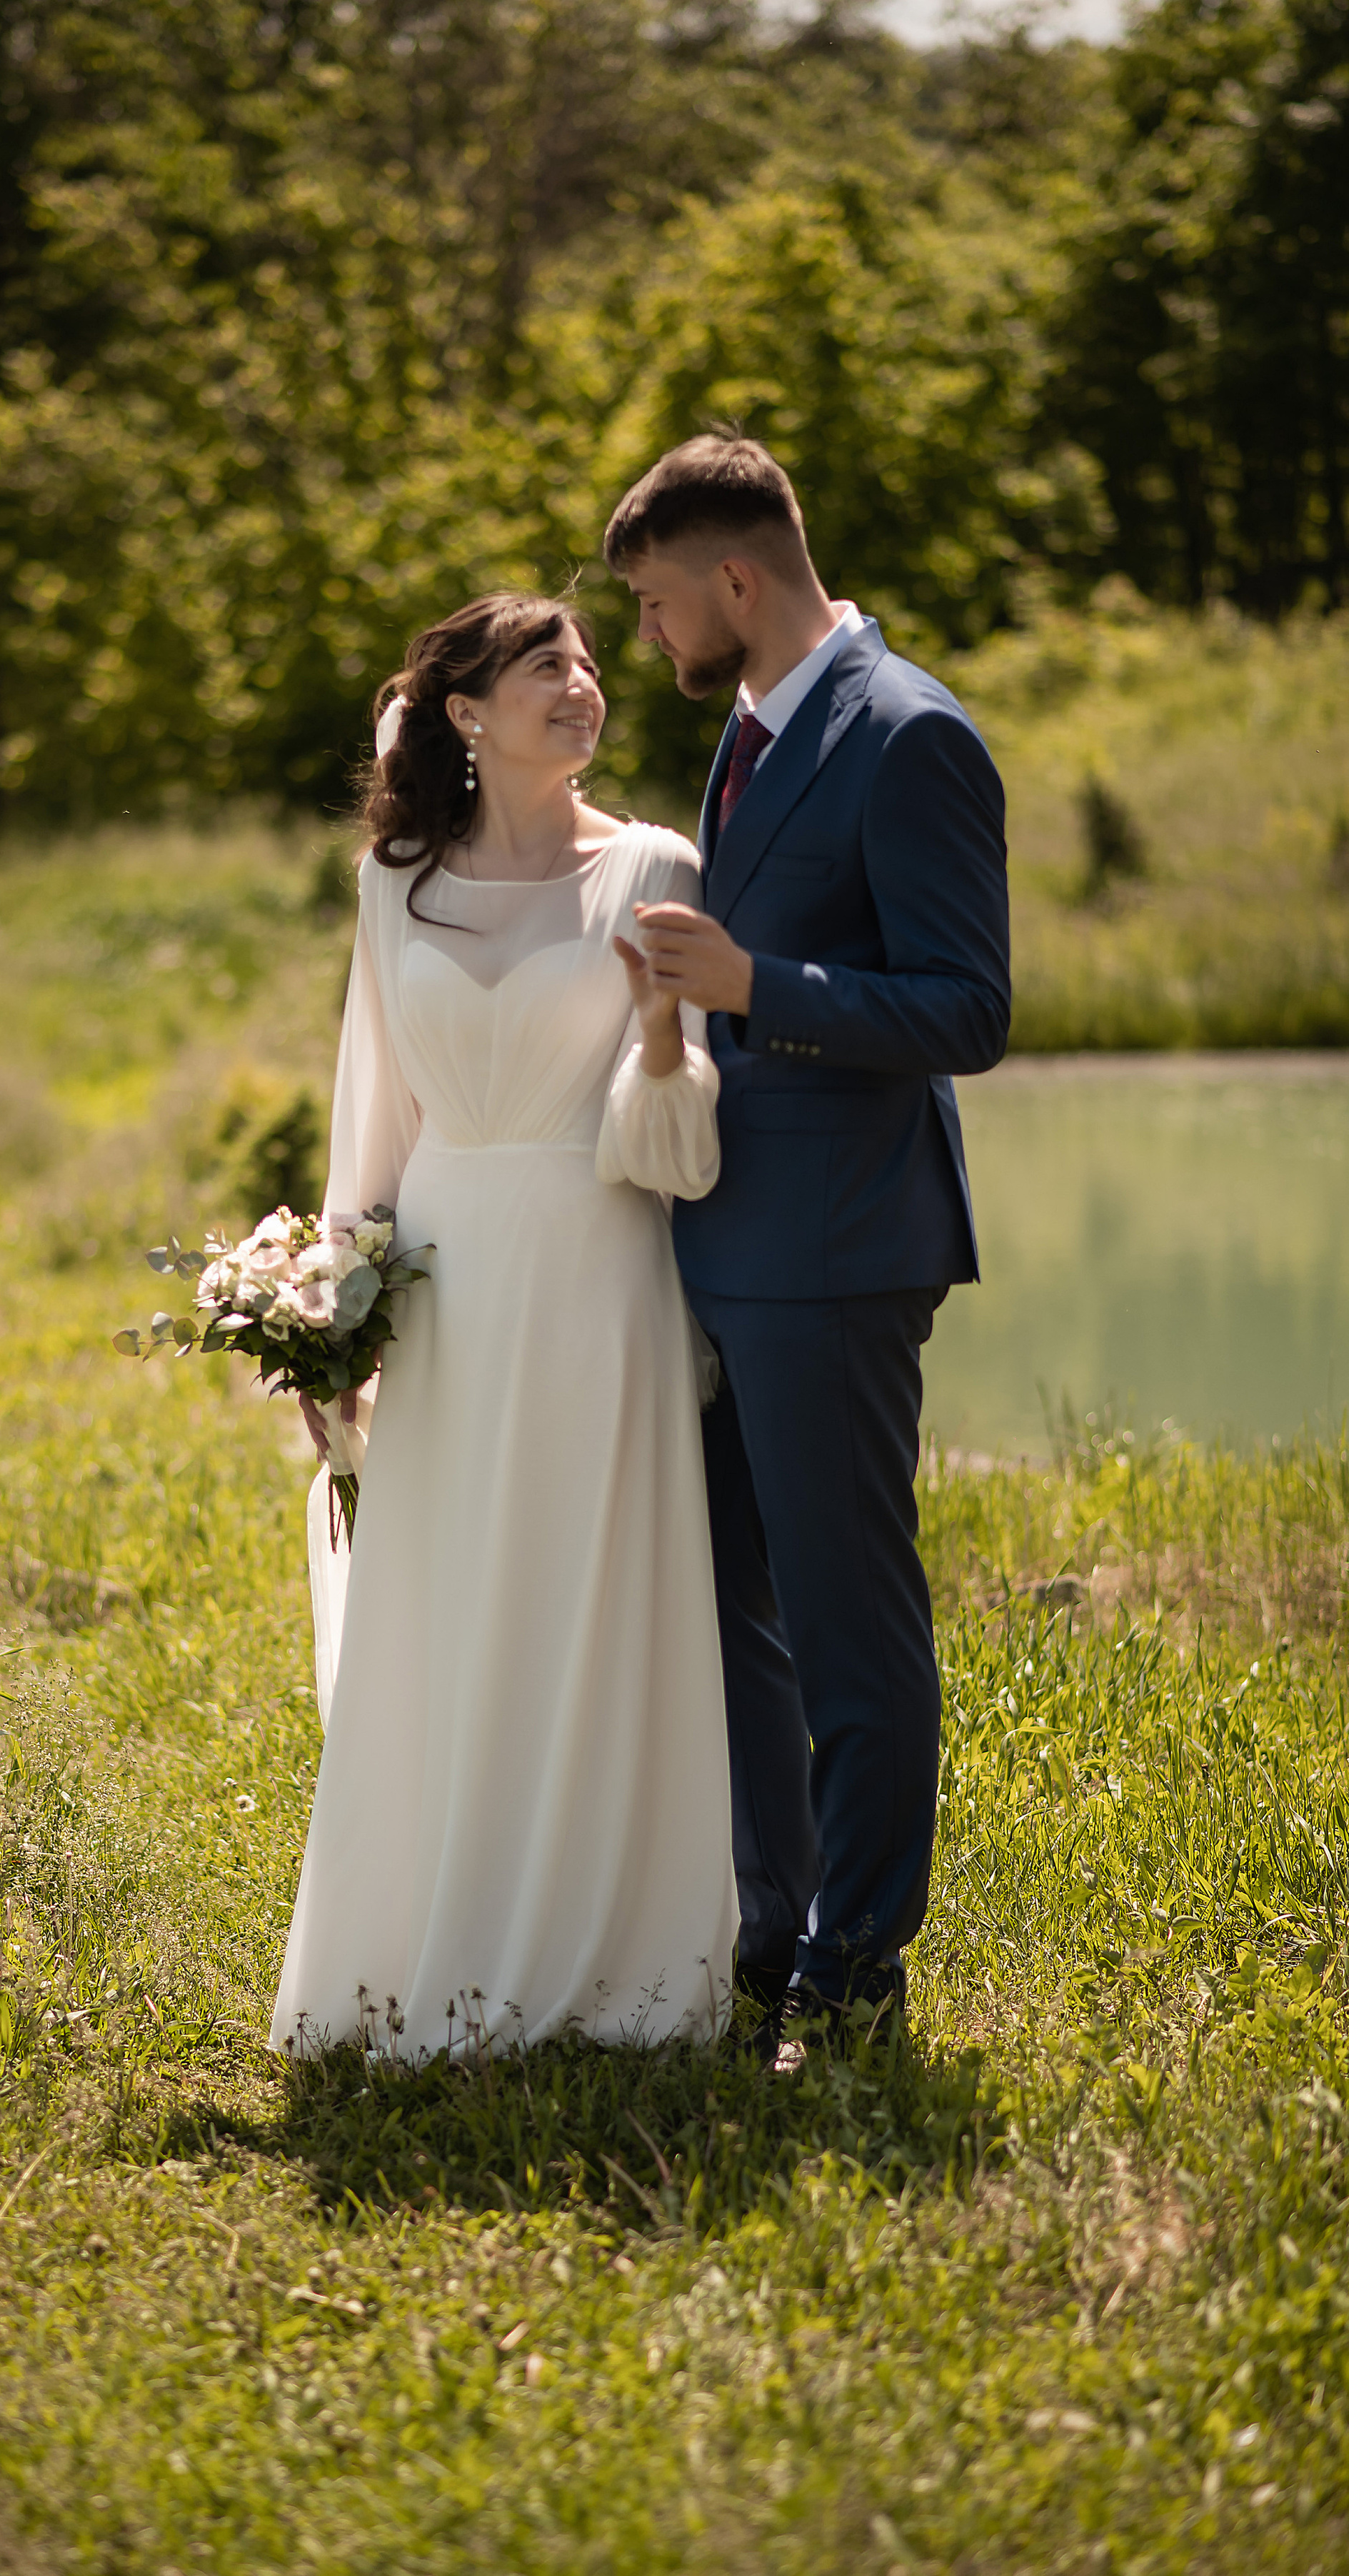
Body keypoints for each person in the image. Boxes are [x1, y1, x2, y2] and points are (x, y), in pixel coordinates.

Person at [271, 593, 739, 2061]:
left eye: (591, 663)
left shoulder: (655, 864)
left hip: (603, 1275)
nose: (583, 686)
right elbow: (371, 1120)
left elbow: (676, 1146)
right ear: (464, 713)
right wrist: (327, 1320)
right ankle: (429, 1940)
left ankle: (614, 1962)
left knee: (595, 1594)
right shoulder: (390, 883)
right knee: (452, 1592)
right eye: (547, 666)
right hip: (444, 1285)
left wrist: (662, 1034)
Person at [602, 432, 1011, 2042]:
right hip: (725, 1238)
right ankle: (770, 1930)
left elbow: (967, 1011)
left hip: (841, 1248)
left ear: (735, 579)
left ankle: (858, 1969)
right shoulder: (756, 729)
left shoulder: (907, 737)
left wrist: (754, 990)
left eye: (652, 606)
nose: (649, 640)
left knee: (848, 1622)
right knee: (729, 1606)